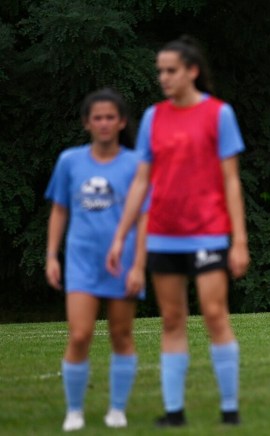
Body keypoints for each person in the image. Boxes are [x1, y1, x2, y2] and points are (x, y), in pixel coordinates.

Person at [106, 36, 250, 427]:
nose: (163, 78)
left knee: (215, 314)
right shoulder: (154, 116)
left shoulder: (219, 114)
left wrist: (239, 240)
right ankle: (174, 412)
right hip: (163, 234)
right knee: (172, 319)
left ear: (192, 71)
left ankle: (230, 410)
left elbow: (231, 181)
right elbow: (141, 181)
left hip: (208, 232)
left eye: (170, 71)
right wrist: (121, 236)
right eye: (160, 71)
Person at [45, 88, 146, 431]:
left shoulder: (136, 165)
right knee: (79, 334)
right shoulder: (69, 161)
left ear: (121, 122)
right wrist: (51, 256)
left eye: (110, 117)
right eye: (97, 117)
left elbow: (145, 218)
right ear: (87, 123)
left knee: (121, 334)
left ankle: (117, 410)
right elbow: (59, 210)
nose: (104, 123)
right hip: (81, 261)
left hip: (123, 262)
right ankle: (74, 411)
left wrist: (139, 265)